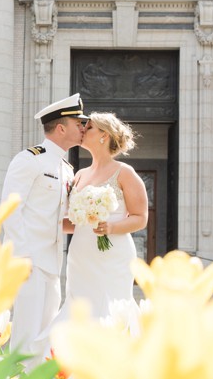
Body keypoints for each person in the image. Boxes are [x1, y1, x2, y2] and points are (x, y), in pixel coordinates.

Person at [1, 93, 88, 374]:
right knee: (26, 335)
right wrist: (22, 255)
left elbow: (54, 220)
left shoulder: (65, 168)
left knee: (44, 337)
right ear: (61, 127)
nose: (83, 127)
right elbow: (11, 208)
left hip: (52, 262)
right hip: (30, 261)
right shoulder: (30, 160)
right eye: (78, 122)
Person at [57, 111, 148, 325]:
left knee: (111, 307)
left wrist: (111, 228)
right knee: (79, 307)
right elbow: (75, 224)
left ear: (103, 135)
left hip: (112, 255)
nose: (82, 130)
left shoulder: (125, 173)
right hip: (80, 255)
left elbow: (140, 217)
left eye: (88, 128)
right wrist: (43, 224)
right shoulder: (79, 175)